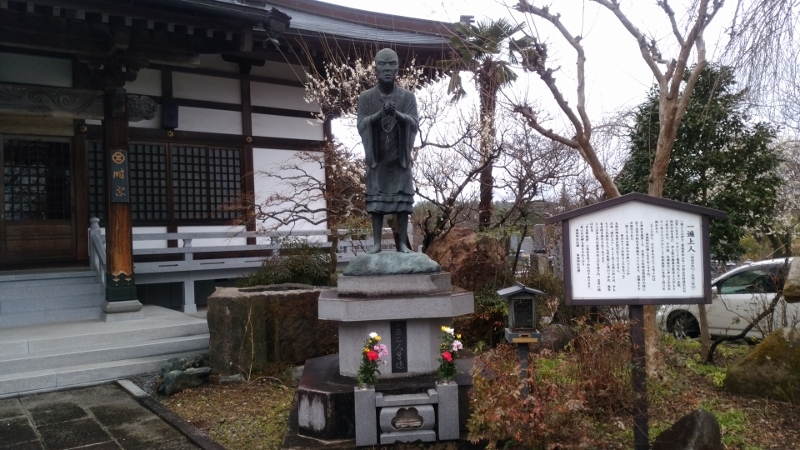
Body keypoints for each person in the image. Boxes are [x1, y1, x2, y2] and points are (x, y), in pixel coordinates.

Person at [357, 48, 418, 253]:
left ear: (398, 67)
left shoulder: (408, 97)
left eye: (391, 63)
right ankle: (376, 243)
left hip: (399, 157)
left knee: (402, 202)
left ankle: (402, 244)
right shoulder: (366, 97)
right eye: (382, 64)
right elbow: (362, 124)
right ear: (375, 68)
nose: (387, 68)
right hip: (378, 157)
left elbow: (413, 123)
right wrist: (379, 115)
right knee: (377, 202)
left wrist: (397, 114)